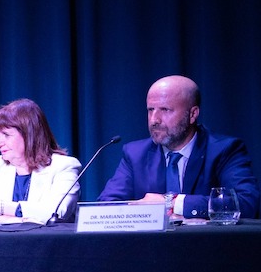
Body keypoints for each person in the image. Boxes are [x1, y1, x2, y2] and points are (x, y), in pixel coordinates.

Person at [99, 75, 260, 219]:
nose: (154, 120)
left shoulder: (224, 150)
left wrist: (173, 203)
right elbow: (106, 207)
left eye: (165, 110)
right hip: (150, 249)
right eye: (150, 110)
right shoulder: (135, 154)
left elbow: (246, 203)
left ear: (192, 114)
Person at [0, 99, 82, 224]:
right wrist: (1, 219)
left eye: (6, 135)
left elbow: (57, 213)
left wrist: (0, 207)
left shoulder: (63, 166)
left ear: (29, 135)